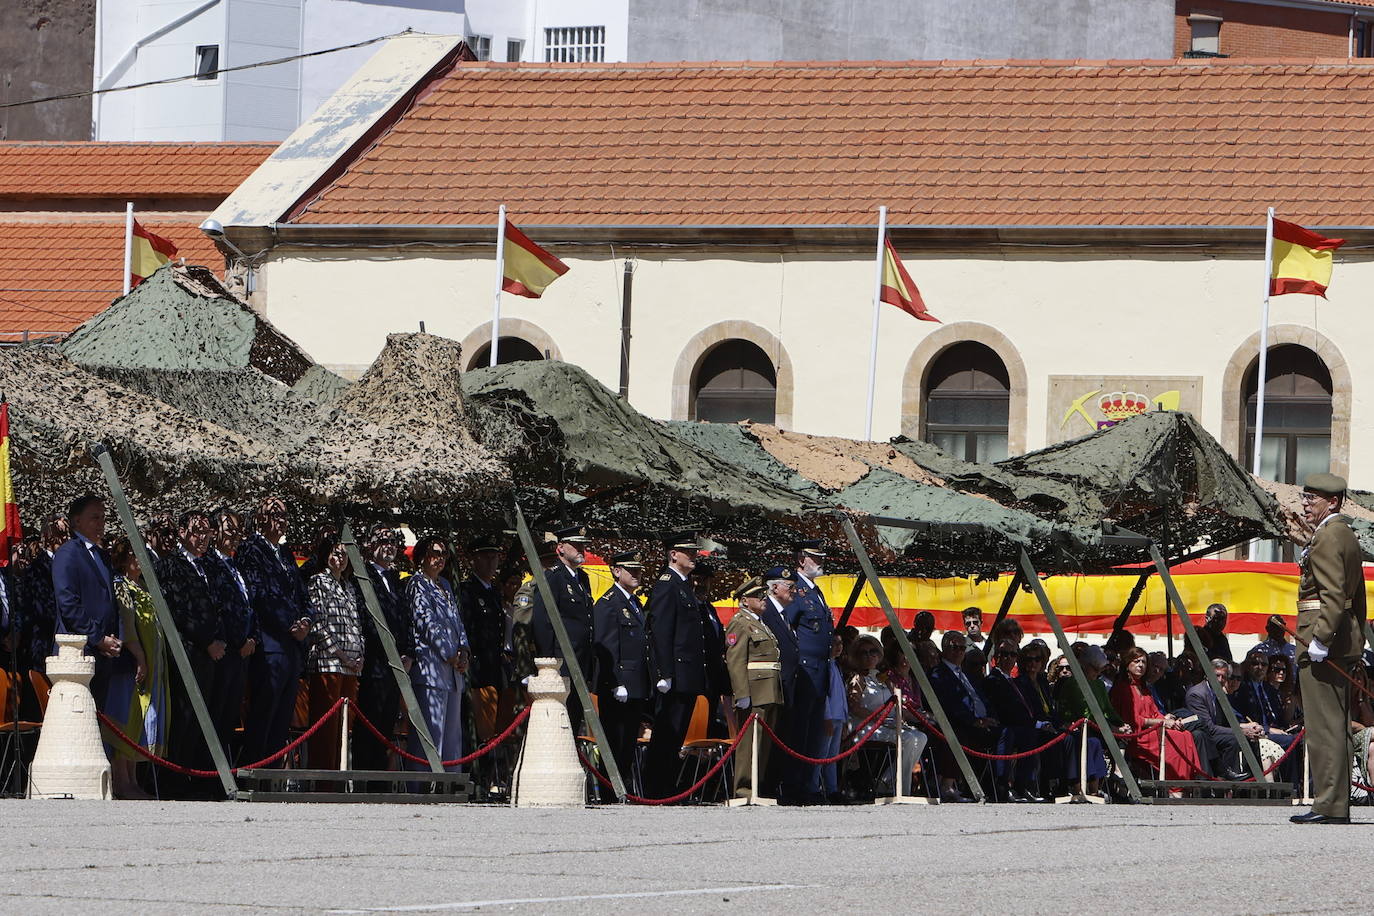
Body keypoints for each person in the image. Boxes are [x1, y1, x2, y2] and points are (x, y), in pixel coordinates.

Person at [1290, 472, 1367, 825]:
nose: (1305, 504)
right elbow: (1358, 598)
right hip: (1343, 639)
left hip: (1324, 640)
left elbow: (1332, 595)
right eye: (1305, 498)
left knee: (1324, 726)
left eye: (1312, 499)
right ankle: (1335, 802)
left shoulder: (1327, 537)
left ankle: (1328, 805)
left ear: (1332, 502)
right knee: (1337, 724)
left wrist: (1321, 639)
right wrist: (1355, 636)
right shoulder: (1346, 535)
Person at [236, 496, 312, 768]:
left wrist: (305, 621)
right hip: (269, 646)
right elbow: (257, 596)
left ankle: (272, 774)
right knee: (263, 714)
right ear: (261, 518)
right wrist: (287, 624)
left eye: (284, 515)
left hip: (292, 647)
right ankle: (255, 770)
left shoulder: (287, 553)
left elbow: (302, 594)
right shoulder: (250, 549)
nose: (281, 520)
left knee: (282, 717)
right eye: (275, 514)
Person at [155, 510, 228, 794]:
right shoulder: (170, 565)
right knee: (184, 719)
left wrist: (219, 639)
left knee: (204, 720)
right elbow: (178, 610)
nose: (203, 538)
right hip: (187, 652)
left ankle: (196, 782)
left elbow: (219, 605)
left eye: (208, 532)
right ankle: (173, 782)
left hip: (212, 654)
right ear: (182, 532)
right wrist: (206, 641)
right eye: (197, 531)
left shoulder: (208, 566)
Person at [644, 532, 711, 799]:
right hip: (675, 673)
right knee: (666, 734)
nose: (694, 556)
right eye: (688, 551)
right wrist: (664, 672)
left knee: (676, 736)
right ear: (674, 554)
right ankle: (655, 788)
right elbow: (661, 630)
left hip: (687, 673)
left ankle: (667, 786)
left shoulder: (683, 585)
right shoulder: (667, 584)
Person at [51, 494, 126, 711]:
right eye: (94, 518)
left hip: (102, 655)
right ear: (77, 521)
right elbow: (68, 603)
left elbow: (111, 601)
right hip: (78, 652)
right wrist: (97, 638)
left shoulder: (102, 556)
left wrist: (113, 639)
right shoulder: (68, 554)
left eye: (103, 518)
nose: (101, 523)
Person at [353, 525, 414, 784]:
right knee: (370, 724)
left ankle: (380, 781)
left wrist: (408, 652)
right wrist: (385, 648)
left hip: (397, 666)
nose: (388, 545)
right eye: (382, 541)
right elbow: (366, 616)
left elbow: (406, 618)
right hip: (375, 663)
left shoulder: (397, 580)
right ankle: (364, 780)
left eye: (392, 541)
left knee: (387, 724)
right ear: (370, 545)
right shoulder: (364, 576)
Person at [406, 535, 469, 773]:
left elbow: (458, 622)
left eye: (443, 554)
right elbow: (426, 623)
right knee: (430, 734)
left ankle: (449, 782)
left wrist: (464, 651)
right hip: (431, 669)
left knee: (452, 735)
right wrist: (449, 653)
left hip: (453, 673)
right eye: (434, 553)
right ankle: (422, 786)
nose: (439, 559)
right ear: (422, 556)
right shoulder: (417, 584)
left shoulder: (445, 585)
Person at [592, 550, 652, 786]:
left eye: (639, 569)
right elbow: (606, 646)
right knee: (614, 741)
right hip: (619, 685)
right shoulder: (608, 603)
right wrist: (616, 681)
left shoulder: (635, 603)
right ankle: (610, 789)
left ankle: (624, 787)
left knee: (628, 741)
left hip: (636, 683)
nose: (637, 574)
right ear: (617, 571)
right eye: (631, 569)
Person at [782, 541, 836, 805]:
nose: (821, 561)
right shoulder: (797, 589)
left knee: (813, 732)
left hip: (820, 671)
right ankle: (793, 786)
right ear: (802, 559)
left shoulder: (815, 592)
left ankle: (807, 784)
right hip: (804, 670)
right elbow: (787, 629)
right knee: (799, 731)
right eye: (816, 557)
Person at [305, 536, 364, 775]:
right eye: (335, 553)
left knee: (344, 728)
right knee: (325, 729)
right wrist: (340, 655)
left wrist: (360, 655)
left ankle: (340, 777)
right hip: (328, 663)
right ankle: (323, 781)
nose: (340, 558)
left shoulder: (349, 586)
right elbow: (318, 624)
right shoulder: (318, 581)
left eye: (344, 554)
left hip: (351, 668)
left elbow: (356, 623)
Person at [109, 538, 161, 800]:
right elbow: (127, 626)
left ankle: (133, 779)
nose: (141, 559)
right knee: (125, 720)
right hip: (128, 662)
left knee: (137, 722)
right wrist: (141, 657)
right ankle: (122, 781)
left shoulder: (140, 586)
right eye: (135, 554)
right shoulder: (122, 587)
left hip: (148, 663)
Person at [529, 526, 595, 730]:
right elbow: (543, 621)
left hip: (581, 661)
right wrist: (550, 663)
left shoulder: (582, 579)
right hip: (562, 663)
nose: (580, 549)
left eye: (582, 545)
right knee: (560, 722)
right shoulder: (553, 577)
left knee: (574, 718)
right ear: (560, 548)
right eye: (575, 545)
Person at [723, 575, 783, 801]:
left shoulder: (760, 624)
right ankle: (744, 790)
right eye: (758, 596)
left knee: (764, 745)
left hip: (769, 690)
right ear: (745, 601)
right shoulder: (739, 623)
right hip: (754, 691)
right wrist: (742, 694)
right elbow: (736, 660)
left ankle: (757, 788)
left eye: (764, 595)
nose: (763, 599)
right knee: (749, 744)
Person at [204, 508, 256, 760]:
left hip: (243, 653)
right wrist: (236, 640)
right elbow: (218, 608)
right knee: (216, 713)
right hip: (224, 651)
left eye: (238, 531)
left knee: (229, 717)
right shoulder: (209, 563)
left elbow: (248, 605)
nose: (235, 536)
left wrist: (252, 637)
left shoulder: (236, 565)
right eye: (230, 530)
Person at [846, 635, 927, 797]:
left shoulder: (884, 678)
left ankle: (888, 780)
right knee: (909, 739)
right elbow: (854, 707)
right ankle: (894, 786)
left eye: (873, 651)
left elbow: (897, 701)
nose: (870, 655)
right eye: (864, 652)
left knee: (921, 737)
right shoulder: (857, 678)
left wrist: (917, 717)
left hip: (889, 724)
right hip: (866, 726)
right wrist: (877, 718)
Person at [1111, 646, 1203, 781]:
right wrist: (1163, 722)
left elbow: (1155, 713)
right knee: (1178, 739)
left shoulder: (1144, 688)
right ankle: (1175, 785)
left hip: (1151, 730)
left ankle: (1187, 782)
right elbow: (1134, 720)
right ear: (1127, 664)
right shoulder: (1123, 688)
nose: (1140, 665)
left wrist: (1170, 723)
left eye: (1143, 662)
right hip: (1138, 735)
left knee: (1185, 735)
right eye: (1136, 662)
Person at [929, 630, 999, 802]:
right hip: (960, 724)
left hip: (983, 723)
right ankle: (948, 785)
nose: (959, 651)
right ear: (944, 648)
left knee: (1013, 735)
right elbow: (949, 704)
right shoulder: (938, 674)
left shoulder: (967, 675)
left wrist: (991, 717)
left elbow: (981, 698)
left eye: (962, 648)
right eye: (955, 647)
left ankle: (1001, 786)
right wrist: (974, 721)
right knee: (958, 735)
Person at [983, 639, 1051, 801]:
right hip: (1004, 725)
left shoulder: (1013, 680)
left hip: (1022, 725)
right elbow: (1006, 710)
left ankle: (1027, 787)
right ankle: (1005, 787)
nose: (1008, 658)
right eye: (1004, 654)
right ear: (996, 657)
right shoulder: (993, 680)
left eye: (1012, 654)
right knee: (1025, 735)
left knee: (1039, 736)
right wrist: (1035, 723)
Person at [460, 535, 511, 746]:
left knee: (494, 731)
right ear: (474, 560)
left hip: (494, 669)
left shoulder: (494, 592)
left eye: (495, 557)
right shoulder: (467, 591)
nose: (492, 562)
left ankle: (490, 770)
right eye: (486, 557)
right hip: (478, 671)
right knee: (479, 731)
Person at [1185, 659, 1259, 780]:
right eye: (1216, 676)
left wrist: (1248, 727)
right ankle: (1226, 775)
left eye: (1223, 677)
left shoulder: (1217, 693)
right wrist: (1241, 732)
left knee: (1251, 738)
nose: (1220, 680)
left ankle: (1248, 778)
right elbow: (1208, 727)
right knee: (1234, 739)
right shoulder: (1197, 694)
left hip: (1213, 733)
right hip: (1202, 737)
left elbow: (1226, 722)